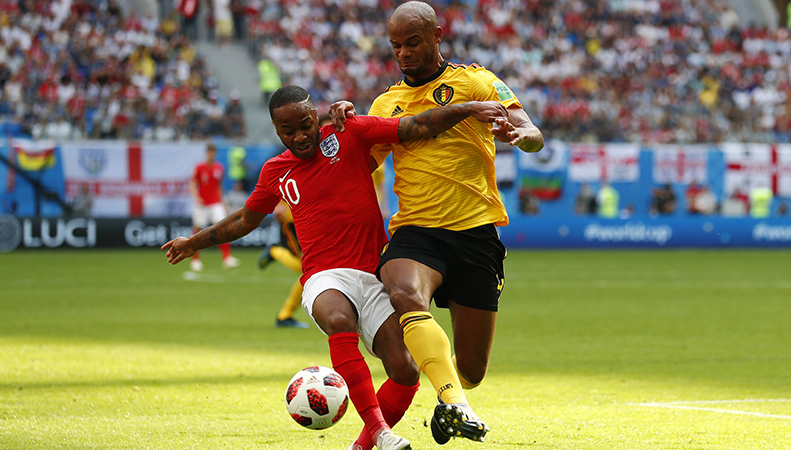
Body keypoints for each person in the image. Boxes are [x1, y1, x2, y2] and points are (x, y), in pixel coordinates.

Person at [162, 85, 509, 450]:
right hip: (323, 275)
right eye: (287, 131)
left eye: (305, 125)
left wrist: (467, 108)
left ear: (317, 116)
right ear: (276, 131)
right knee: (340, 319)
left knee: (406, 371)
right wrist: (194, 242)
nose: (299, 137)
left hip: (373, 273)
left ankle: (361, 446)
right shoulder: (275, 171)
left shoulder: (350, 132)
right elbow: (245, 220)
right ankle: (381, 433)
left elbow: (417, 125)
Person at [329, 1, 544, 444]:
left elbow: (531, 131)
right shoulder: (387, 103)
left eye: (412, 43)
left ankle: (452, 398)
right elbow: (357, 164)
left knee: (472, 369)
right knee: (404, 292)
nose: (403, 53)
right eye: (395, 46)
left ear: (437, 36)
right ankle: (455, 405)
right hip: (416, 231)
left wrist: (523, 136)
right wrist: (343, 127)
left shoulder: (476, 82)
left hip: (475, 234)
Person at [257, 200, 311, 329]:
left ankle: (285, 315)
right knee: (309, 269)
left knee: (310, 270)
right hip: (291, 218)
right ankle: (274, 251)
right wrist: (278, 203)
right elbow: (274, 186)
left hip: (307, 217)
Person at [188, 143, 241, 271]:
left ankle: (226, 257)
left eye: (213, 152)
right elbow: (192, 183)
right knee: (198, 229)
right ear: (206, 153)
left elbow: (218, 186)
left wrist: (223, 201)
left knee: (223, 228)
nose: (211, 154)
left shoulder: (219, 168)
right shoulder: (199, 167)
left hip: (215, 202)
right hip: (202, 203)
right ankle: (195, 259)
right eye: (209, 152)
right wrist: (196, 197)